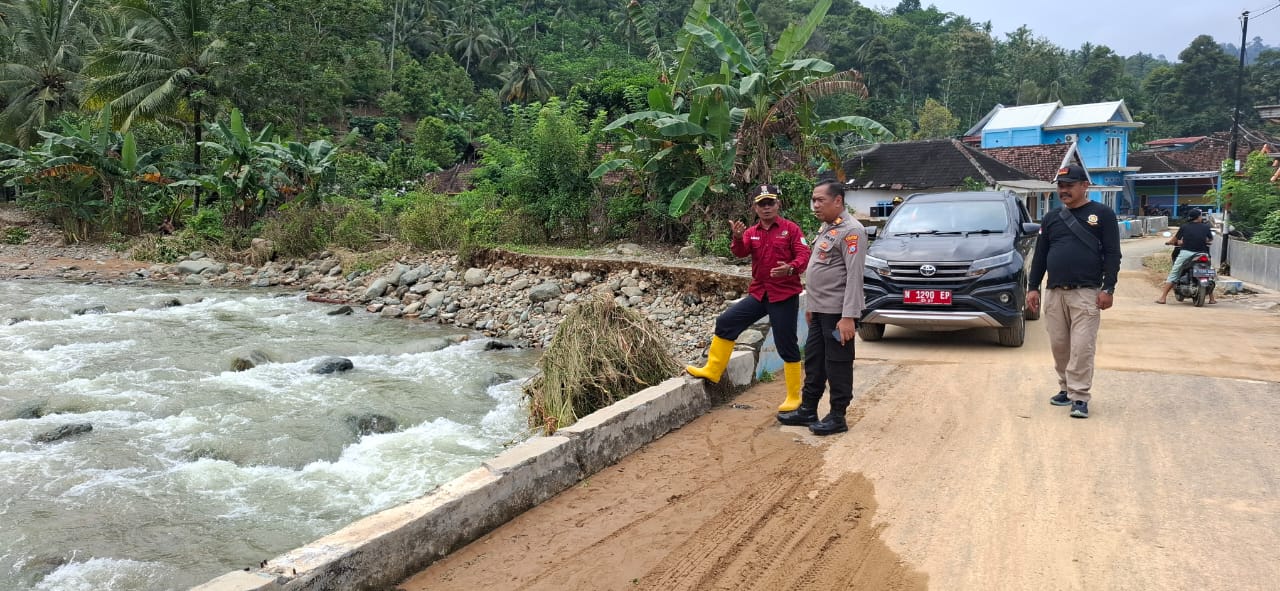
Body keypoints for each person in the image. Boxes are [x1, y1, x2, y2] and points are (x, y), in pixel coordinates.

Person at [686, 183, 811, 412]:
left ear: (778, 204)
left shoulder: (791, 229)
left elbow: (804, 255)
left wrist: (791, 268)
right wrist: (736, 237)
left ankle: (794, 395)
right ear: (754, 208)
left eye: (770, 203)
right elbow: (741, 252)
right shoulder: (751, 232)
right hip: (760, 293)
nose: (766, 208)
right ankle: (713, 370)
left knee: (786, 344)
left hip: (783, 295)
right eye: (761, 204)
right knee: (725, 322)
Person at [1026, 164, 1122, 419]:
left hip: (1086, 293)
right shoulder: (1051, 218)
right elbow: (1041, 256)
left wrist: (1108, 287)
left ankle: (1079, 397)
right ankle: (1065, 388)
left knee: (1082, 346)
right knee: (1059, 345)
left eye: (1069, 186)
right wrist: (1033, 287)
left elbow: (1113, 253)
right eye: (1060, 186)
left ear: (1084, 186)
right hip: (1055, 293)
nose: (1064, 191)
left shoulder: (1103, 214)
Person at [776, 179, 867, 435]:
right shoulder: (828, 227)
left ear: (838, 201)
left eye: (820, 200)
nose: (815, 205)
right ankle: (808, 409)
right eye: (813, 200)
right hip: (819, 312)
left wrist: (849, 317)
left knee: (838, 362)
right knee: (815, 361)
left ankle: (838, 416)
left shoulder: (852, 231)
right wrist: (812, 306)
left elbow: (854, 276)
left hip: (838, 314)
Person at [1155, 208, 1216, 304]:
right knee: (1208, 272)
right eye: (1200, 216)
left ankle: (1163, 298)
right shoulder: (1206, 227)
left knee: (1175, 272)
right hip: (1203, 253)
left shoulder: (1185, 227)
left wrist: (1170, 242)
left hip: (1186, 253)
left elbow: (1175, 239)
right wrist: (1203, 241)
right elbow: (1210, 239)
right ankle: (1212, 299)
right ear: (1198, 217)